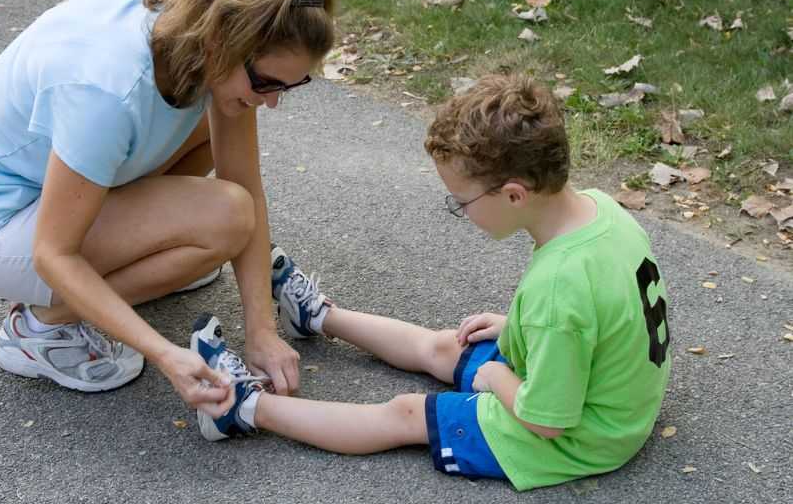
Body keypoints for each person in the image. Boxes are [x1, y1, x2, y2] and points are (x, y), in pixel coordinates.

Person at [191, 74, 672, 491]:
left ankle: (241, 407)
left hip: (578, 437)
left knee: (403, 414)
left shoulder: (558, 291)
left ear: (513, 194)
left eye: (460, 201)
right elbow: (602, 312)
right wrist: (516, 325)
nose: (460, 212)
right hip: (603, 395)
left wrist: (494, 377)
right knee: (446, 347)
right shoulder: (599, 209)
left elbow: (545, 422)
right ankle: (318, 317)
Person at [0, 0, 337, 413]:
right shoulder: (107, 88)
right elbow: (54, 254)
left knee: (225, 179)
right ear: (226, 43)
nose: (272, 101)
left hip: (45, 187)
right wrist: (166, 354)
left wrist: (261, 330)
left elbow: (245, 183)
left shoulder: (203, 23)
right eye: (266, 83)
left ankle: (146, 255)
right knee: (224, 218)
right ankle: (38, 329)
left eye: (290, 85)